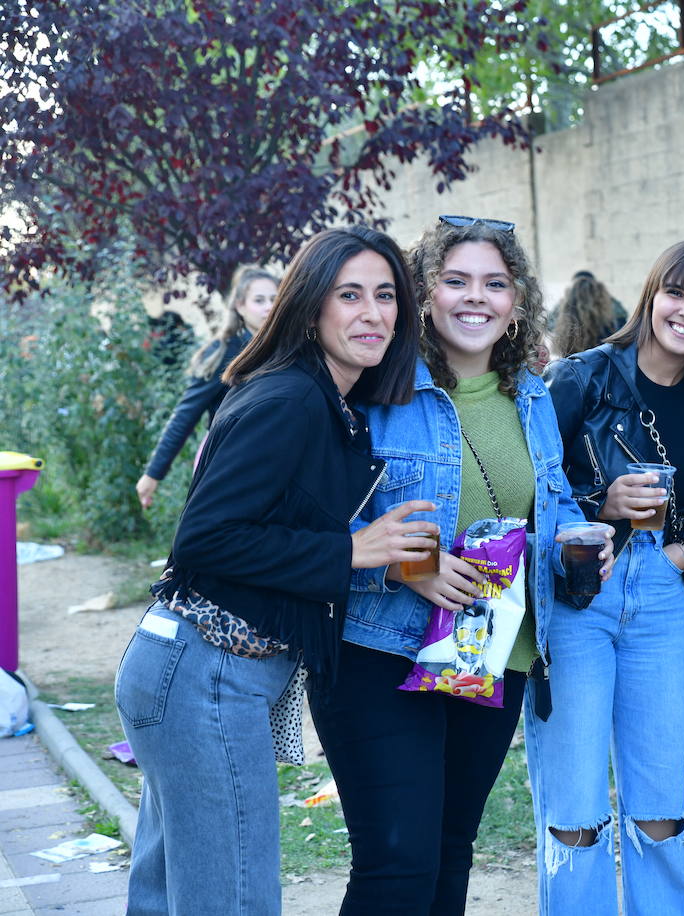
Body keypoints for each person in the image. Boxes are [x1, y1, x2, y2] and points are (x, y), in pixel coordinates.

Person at [114, 226, 433, 914]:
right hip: (204, 675)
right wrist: (353, 551)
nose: (372, 313)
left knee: (171, 895)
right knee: (234, 901)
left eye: (386, 296)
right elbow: (203, 539)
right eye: (349, 295)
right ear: (311, 306)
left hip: (191, 671)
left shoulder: (326, 401)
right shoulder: (290, 398)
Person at [305, 216, 606, 914]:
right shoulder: (372, 386)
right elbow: (311, 511)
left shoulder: (532, 396)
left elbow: (542, 510)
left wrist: (574, 543)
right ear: (423, 294)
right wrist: (405, 564)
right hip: (378, 647)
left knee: (449, 850)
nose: (477, 298)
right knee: (396, 863)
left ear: (517, 302)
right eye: (456, 280)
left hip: (492, 653)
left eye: (495, 283)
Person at [528, 240, 684, 915]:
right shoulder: (582, 378)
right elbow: (529, 491)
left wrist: (680, 560)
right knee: (578, 810)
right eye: (677, 293)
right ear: (651, 294)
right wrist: (602, 506)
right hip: (580, 592)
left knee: (660, 808)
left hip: (658, 593)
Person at [136, 265, 279, 508]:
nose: (269, 306)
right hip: (228, 464)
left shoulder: (286, 350)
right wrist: (153, 474)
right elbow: (185, 415)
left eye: (275, 299)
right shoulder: (223, 353)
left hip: (271, 463)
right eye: (259, 300)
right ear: (240, 306)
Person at [549, 269, 626, 357]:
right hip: (603, 359)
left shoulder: (565, 305)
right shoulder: (608, 304)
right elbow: (623, 322)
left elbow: (549, 324)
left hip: (573, 361)